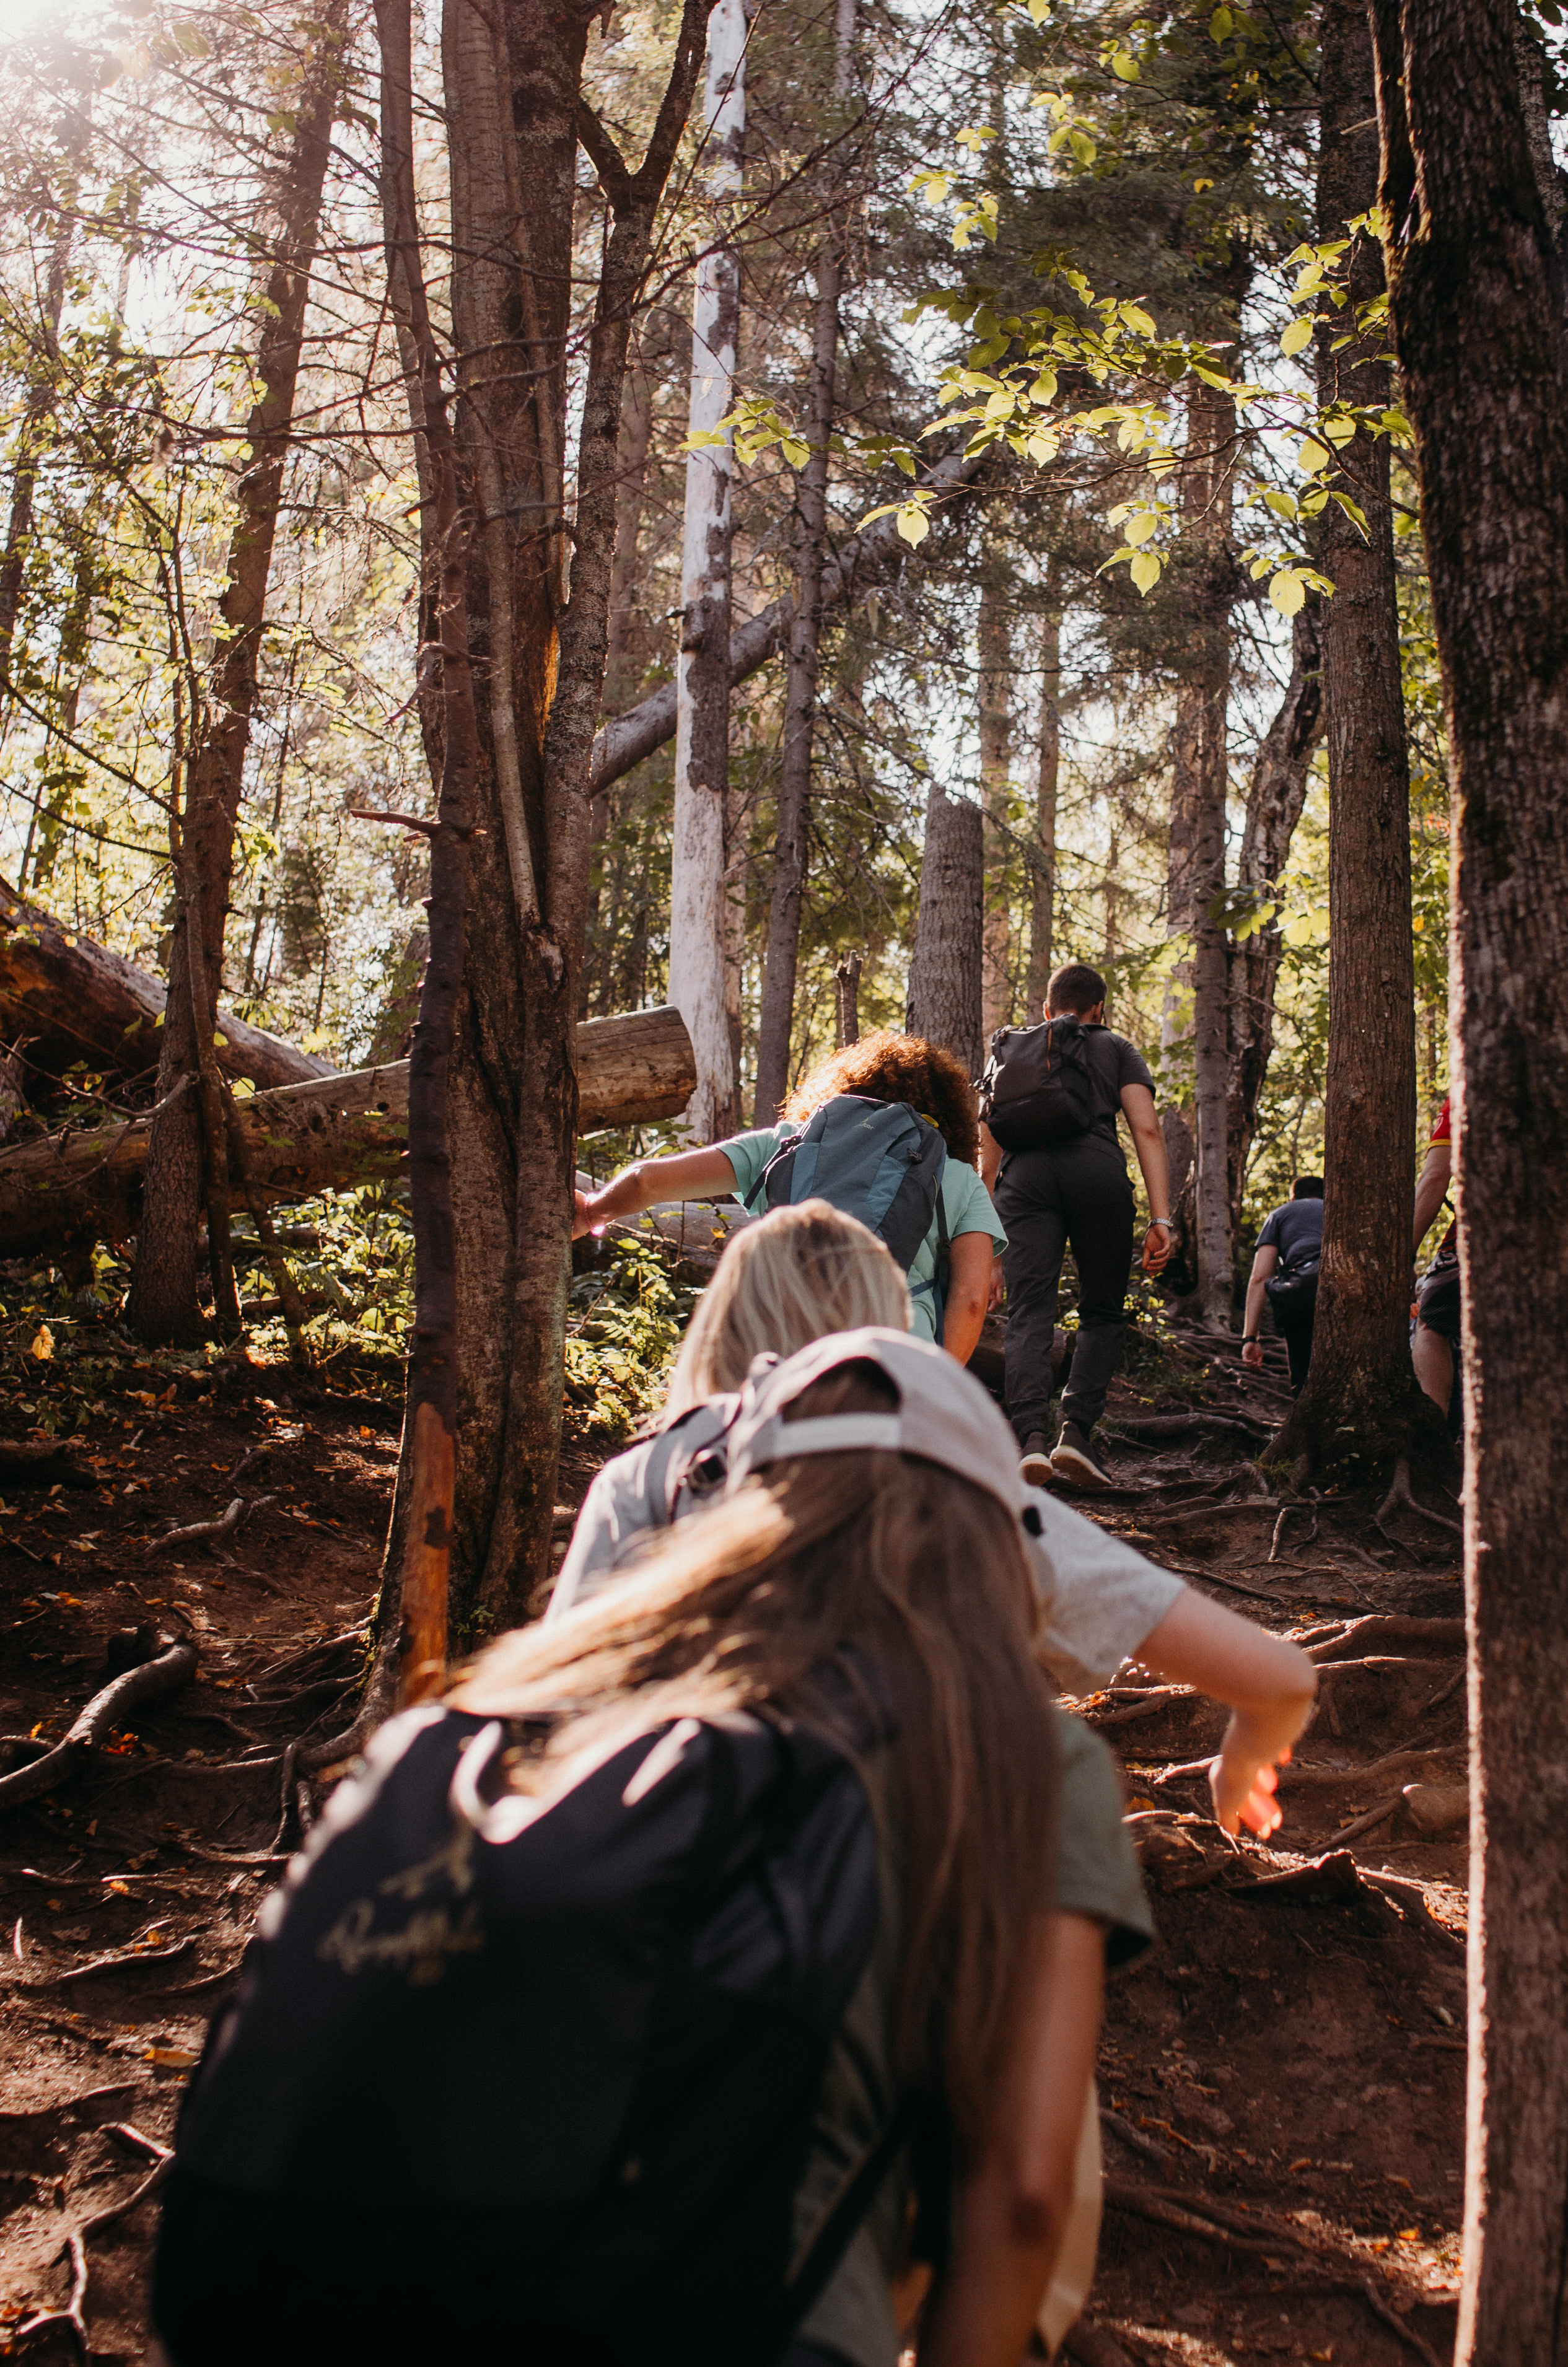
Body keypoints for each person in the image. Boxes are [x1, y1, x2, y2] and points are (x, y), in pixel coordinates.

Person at [153, 1332, 1119, 2367]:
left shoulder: (524, 1696)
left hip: (306, 2299)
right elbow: (1022, 2193)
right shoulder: (1017, 1742)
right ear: (982, 1532)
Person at [573, 1032, 1004, 1367]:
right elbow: (970, 1299)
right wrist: (939, 1387)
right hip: (897, 1362)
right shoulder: (957, 1176)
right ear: (945, 1109)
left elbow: (647, 1180)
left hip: (782, 1347)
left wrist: (591, 1210)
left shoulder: (787, 1144)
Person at [979, 963, 1172, 1493]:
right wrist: (1161, 1219)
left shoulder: (1014, 1051)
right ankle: (1076, 1434)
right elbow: (1147, 1129)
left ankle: (1029, 1440)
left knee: (1029, 1310)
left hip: (1025, 1182)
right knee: (1102, 1309)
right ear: (1098, 1009)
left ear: (1047, 1010)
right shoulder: (1115, 1046)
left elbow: (987, 1156)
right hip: (1097, 1172)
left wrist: (991, 1248)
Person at [1241, 1176, 1325, 1392]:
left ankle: (1303, 1401)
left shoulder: (1279, 1215)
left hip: (1301, 1290)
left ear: (1292, 1198)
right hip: (1342, 1281)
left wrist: (1250, 1337)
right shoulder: (1340, 1210)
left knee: (1303, 1376)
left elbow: (1260, 1277)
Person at [1412, 1094, 1460, 1430]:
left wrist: (1402, 1256)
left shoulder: (1470, 1082)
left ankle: (1434, 1437)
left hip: (1485, 1233)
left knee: (1431, 1318)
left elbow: (1435, 1177)